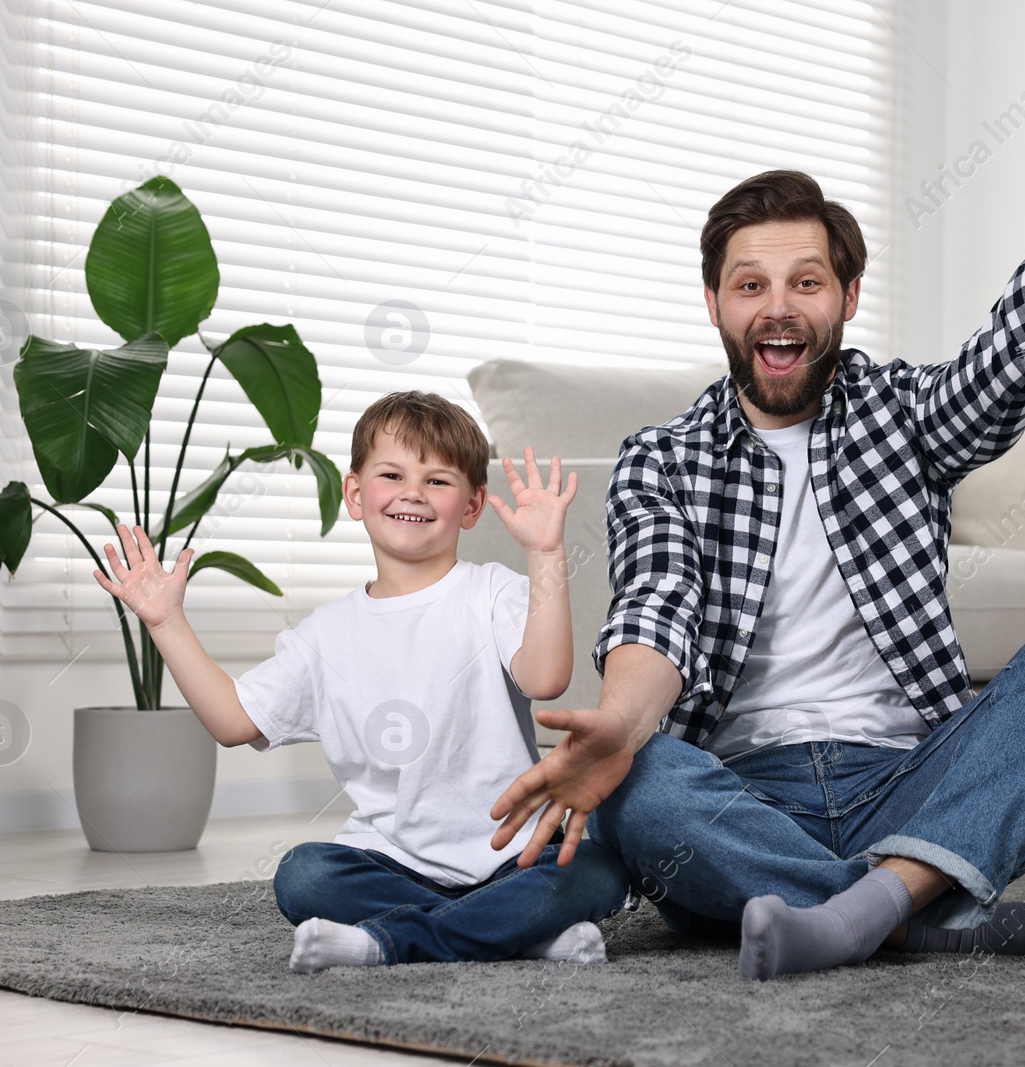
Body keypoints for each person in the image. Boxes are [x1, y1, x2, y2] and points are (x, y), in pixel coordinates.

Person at [486, 32, 1025, 980]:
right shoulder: (662, 460)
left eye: (805, 282)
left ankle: (866, 904)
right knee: (643, 782)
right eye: (750, 285)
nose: (778, 307)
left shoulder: (899, 413)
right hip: (739, 795)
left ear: (845, 295)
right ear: (715, 303)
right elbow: (654, 618)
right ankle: (923, 910)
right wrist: (623, 727)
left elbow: (1012, 358)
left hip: (907, 777)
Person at [92, 390, 631, 968]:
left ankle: (393, 941)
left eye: (439, 481)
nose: (413, 493)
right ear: (355, 493)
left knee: (599, 871)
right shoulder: (325, 634)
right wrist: (168, 622)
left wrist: (546, 552)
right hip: (390, 860)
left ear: (473, 506)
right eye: (392, 474)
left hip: (514, 855)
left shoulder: (493, 591)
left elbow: (546, 678)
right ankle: (515, 933)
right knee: (304, 876)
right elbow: (232, 722)